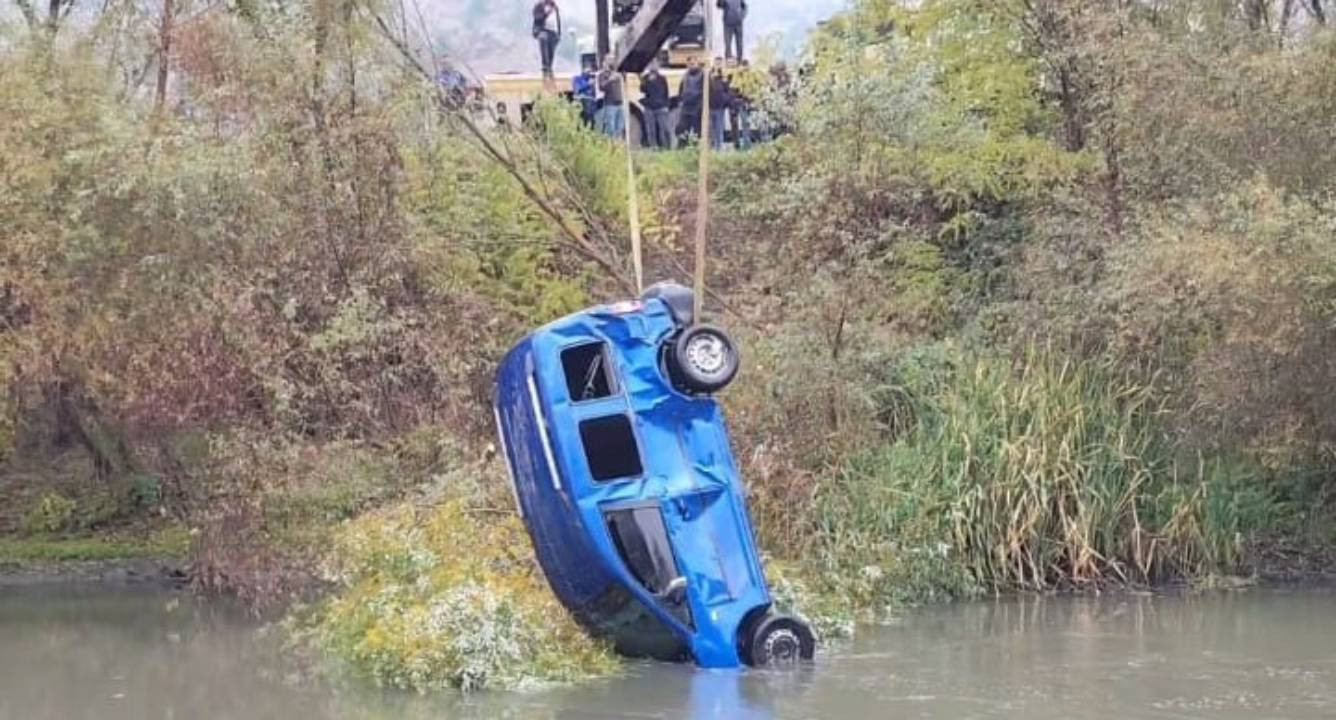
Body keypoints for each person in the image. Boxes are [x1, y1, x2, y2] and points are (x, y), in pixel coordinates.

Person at [640, 64, 672, 149]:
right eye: (651, 65)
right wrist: (645, 81)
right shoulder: (645, 78)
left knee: (664, 128)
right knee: (651, 129)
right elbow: (642, 90)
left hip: (661, 107)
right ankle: (653, 147)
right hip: (649, 107)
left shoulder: (662, 78)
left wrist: (666, 106)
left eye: (654, 65)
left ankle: (666, 147)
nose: (653, 67)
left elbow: (666, 92)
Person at [677, 60, 705, 145]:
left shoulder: (702, 75)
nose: (691, 66)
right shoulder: (685, 75)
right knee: (683, 128)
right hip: (686, 106)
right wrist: (680, 100)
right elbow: (681, 89)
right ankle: (682, 147)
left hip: (697, 106)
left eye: (693, 64)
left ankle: (696, 147)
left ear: (698, 64)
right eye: (689, 64)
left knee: (697, 129)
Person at [532, 1, 561, 78]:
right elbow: (537, 18)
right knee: (544, 45)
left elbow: (558, 21)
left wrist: (559, 33)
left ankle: (549, 69)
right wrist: (547, 13)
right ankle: (545, 68)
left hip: (553, 32)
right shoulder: (539, 5)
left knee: (551, 52)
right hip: (543, 30)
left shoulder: (555, 7)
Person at [597, 59, 625, 139]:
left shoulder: (618, 73)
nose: (609, 63)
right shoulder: (602, 75)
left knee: (620, 126)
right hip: (610, 104)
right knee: (611, 127)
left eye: (611, 61)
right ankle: (611, 146)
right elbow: (601, 87)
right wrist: (610, 79)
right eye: (607, 62)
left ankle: (617, 145)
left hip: (620, 103)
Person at [708, 60, 731, 150]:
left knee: (719, 127)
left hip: (719, 107)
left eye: (719, 63)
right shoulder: (709, 76)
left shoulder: (723, 77)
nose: (718, 65)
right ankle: (712, 145)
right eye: (716, 63)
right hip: (710, 106)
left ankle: (719, 146)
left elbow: (727, 90)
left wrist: (724, 100)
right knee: (711, 127)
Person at [572, 58, 597, 128]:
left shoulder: (592, 79)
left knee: (592, 124)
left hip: (591, 106)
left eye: (590, 71)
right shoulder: (577, 78)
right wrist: (588, 84)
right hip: (582, 104)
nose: (589, 72)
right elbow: (577, 89)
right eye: (587, 70)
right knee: (581, 124)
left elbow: (594, 95)